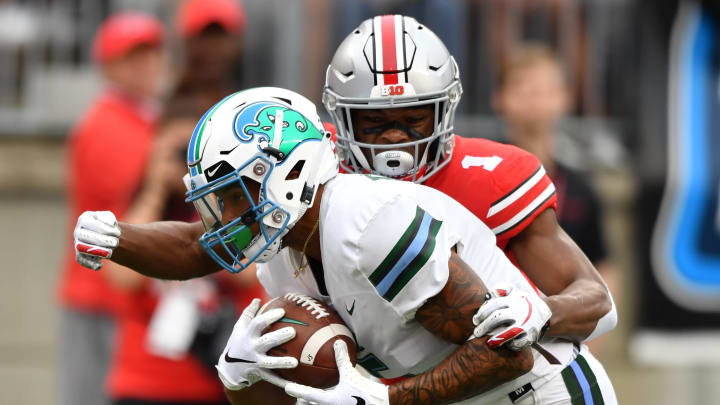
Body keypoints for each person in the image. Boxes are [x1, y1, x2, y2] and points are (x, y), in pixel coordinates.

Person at [73, 87, 616, 405]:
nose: (226, 216)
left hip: (546, 393)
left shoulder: (369, 226)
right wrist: (241, 376)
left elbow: (509, 356)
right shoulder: (286, 252)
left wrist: (385, 398)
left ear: (286, 175)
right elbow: (198, 245)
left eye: (236, 194)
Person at [101, 101, 266, 405]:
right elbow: (121, 276)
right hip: (144, 382)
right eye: (175, 153)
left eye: (190, 155)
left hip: (213, 380)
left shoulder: (236, 208)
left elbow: (250, 274)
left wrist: (210, 196)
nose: (182, 165)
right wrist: (155, 188)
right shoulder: (141, 207)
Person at [58, 11, 165, 405]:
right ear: (109, 65)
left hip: (120, 292)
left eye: (152, 53)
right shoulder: (107, 123)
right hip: (100, 292)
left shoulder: (142, 118)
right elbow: (139, 196)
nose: (148, 64)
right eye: (133, 56)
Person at [492, 43, 620, 354]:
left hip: (563, 340)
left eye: (545, 88)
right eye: (524, 87)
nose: (535, 98)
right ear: (501, 99)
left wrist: (593, 339)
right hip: (497, 337)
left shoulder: (581, 187)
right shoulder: (485, 175)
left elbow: (603, 266)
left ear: (565, 98)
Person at [172, 0, 247, 115]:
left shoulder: (248, 108)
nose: (213, 48)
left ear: (237, 43)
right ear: (186, 43)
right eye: (204, 37)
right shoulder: (162, 112)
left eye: (221, 38)